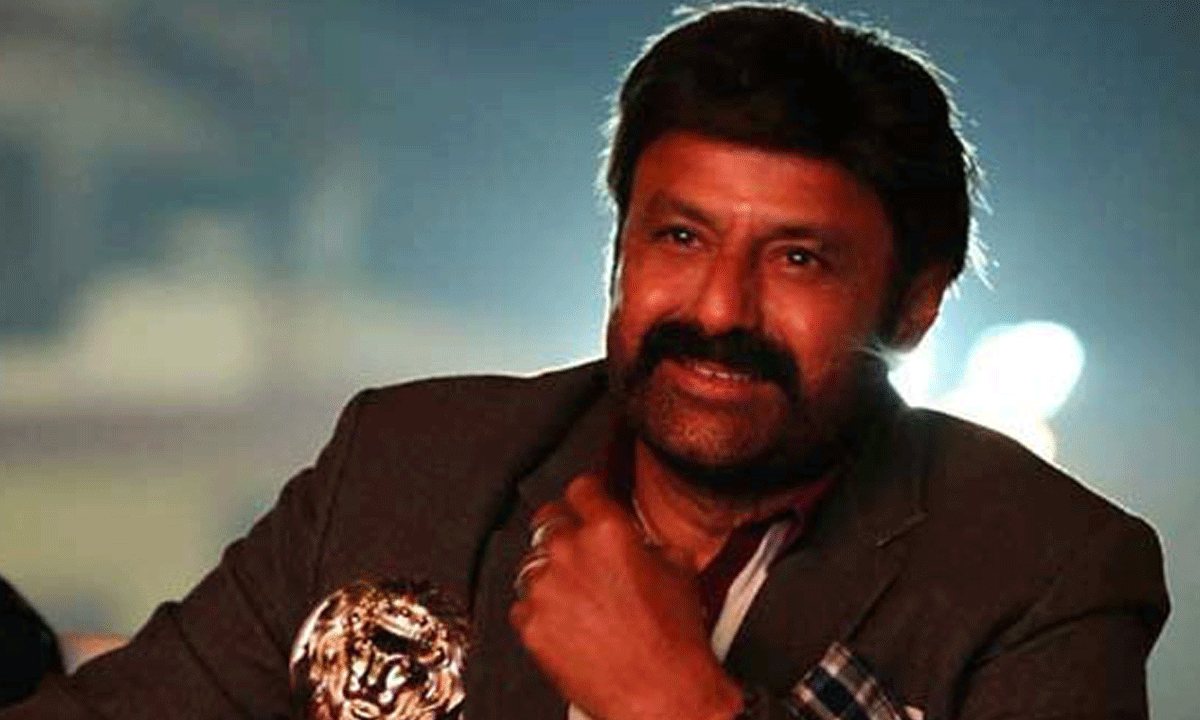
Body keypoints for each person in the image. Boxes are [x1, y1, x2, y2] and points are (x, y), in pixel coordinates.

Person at [2, 4, 1168, 720]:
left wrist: (680, 703)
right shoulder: (407, 462)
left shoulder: (1048, 575)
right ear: (617, 253)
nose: (718, 309)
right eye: (680, 238)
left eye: (798, 258)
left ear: (915, 305)